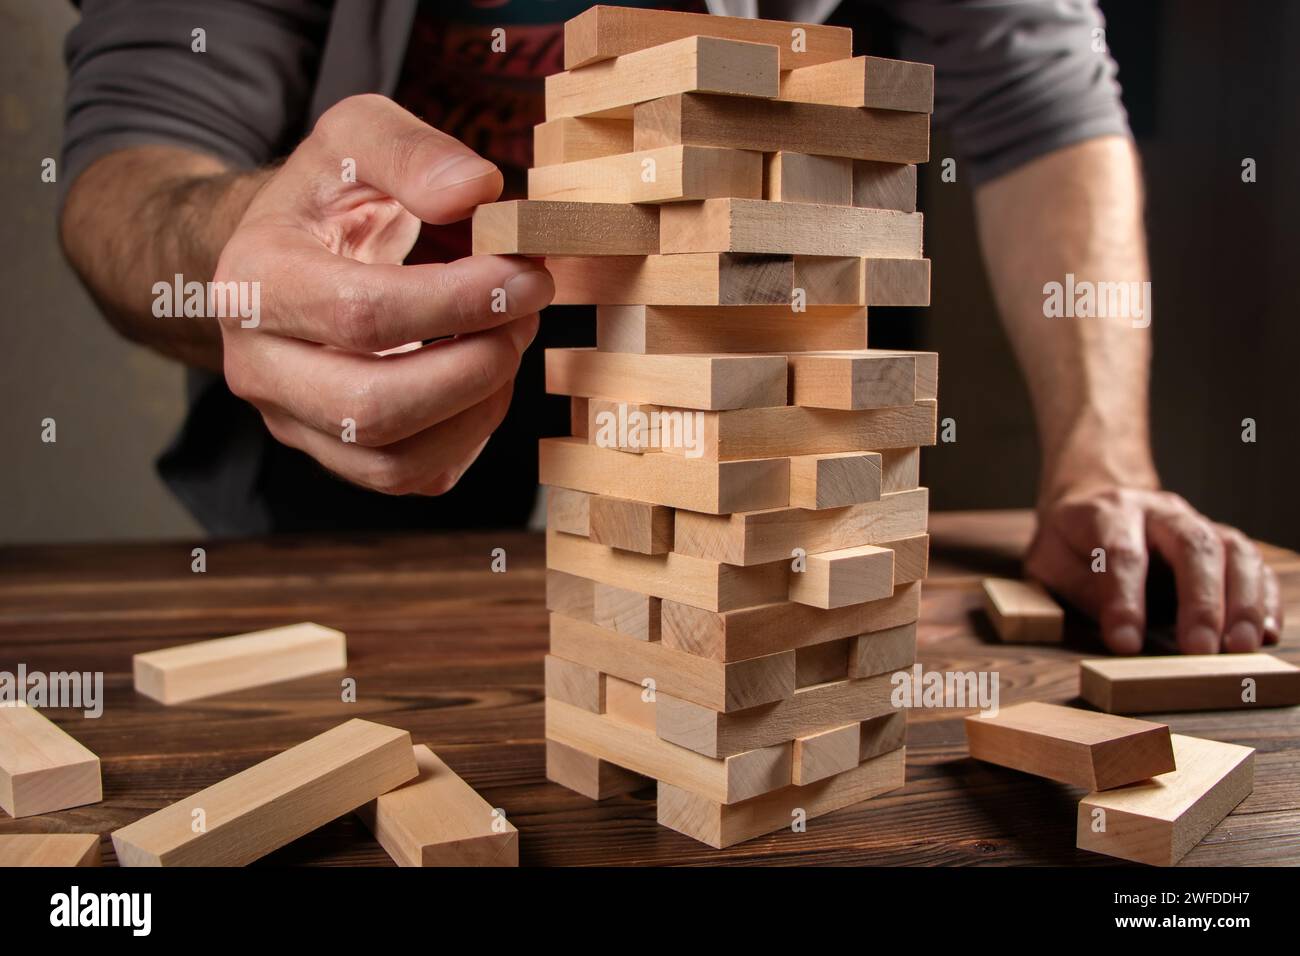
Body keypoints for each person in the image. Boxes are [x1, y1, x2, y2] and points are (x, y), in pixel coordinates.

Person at [58, 0, 1282, 656]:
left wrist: (1103, 460)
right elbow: (136, 150)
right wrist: (236, 246)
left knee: (767, 635)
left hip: (756, 329)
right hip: (358, 388)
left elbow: (1037, 93)